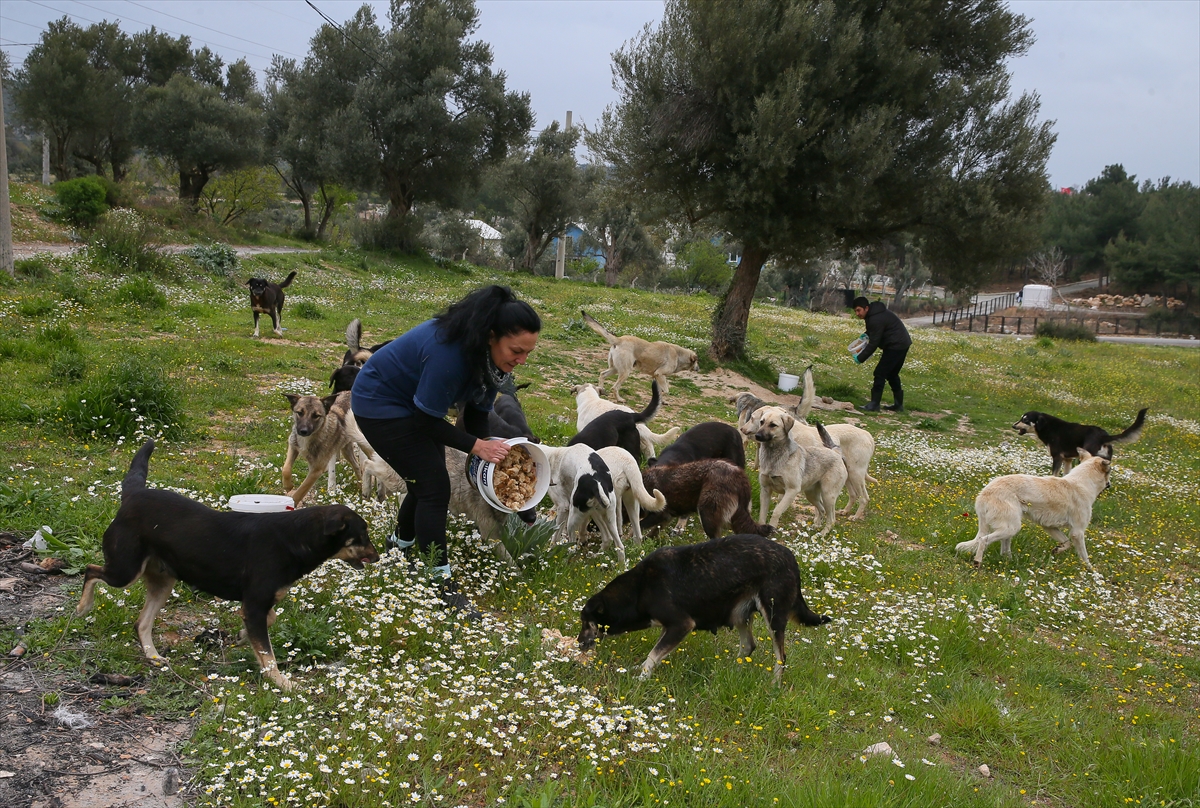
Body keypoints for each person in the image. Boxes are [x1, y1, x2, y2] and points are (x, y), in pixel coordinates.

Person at [351, 285, 541, 614]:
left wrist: (484, 459)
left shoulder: (487, 356)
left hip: (414, 407)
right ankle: (439, 582)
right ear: (492, 335)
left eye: (527, 352)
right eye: (516, 350)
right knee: (434, 487)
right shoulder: (450, 355)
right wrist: (477, 446)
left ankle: (399, 546)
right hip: (378, 404)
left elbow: (479, 413)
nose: (521, 360)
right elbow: (427, 421)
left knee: (424, 481)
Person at [852, 296, 911, 413]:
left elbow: (874, 343)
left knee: (880, 373)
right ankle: (898, 406)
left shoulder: (875, 319)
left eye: (859, 310)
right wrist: (865, 335)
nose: (857, 313)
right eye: (855, 311)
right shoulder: (875, 314)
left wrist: (860, 358)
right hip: (902, 343)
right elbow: (875, 331)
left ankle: (874, 404)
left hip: (896, 345)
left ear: (866, 308)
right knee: (892, 374)